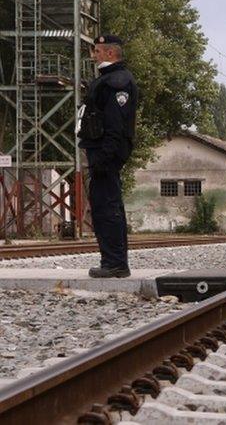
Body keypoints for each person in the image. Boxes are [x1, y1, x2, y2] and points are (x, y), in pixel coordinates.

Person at [78, 35, 139, 278]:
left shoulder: (118, 82)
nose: (94, 55)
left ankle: (115, 263)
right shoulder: (107, 80)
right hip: (100, 152)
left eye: (97, 51)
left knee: (108, 206)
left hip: (106, 154)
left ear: (111, 53)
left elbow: (116, 124)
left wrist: (105, 156)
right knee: (103, 206)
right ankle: (111, 261)